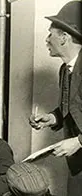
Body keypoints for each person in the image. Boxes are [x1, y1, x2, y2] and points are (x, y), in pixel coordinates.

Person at [29, 1, 82, 176]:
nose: (46, 39)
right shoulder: (65, 70)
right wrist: (52, 118)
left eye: (50, 34)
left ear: (64, 37)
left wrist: (79, 142)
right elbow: (75, 107)